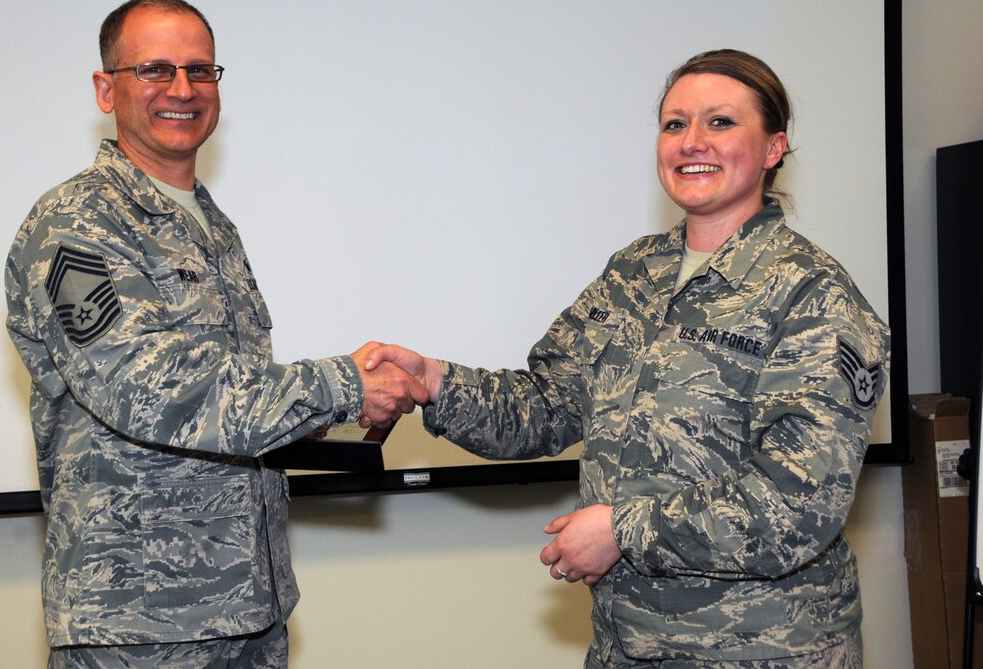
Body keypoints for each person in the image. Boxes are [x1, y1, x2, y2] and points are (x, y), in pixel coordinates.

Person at [362, 49, 890, 668]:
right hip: (628, 646)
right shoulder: (635, 271)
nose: (692, 142)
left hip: (762, 652)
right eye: (674, 124)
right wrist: (436, 382)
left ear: (774, 148)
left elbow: (798, 507)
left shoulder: (814, 295)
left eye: (720, 123)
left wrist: (622, 530)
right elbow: (549, 403)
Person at [5, 0, 426, 667]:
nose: (182, 89)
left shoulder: (211, 225)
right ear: (104, 87)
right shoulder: (73, 227)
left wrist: (327, 418)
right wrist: (342, 382)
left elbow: (228, 399)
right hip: (140, 630)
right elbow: (143, 387)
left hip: (249, 613)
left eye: (201, 71)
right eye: (155, 70)